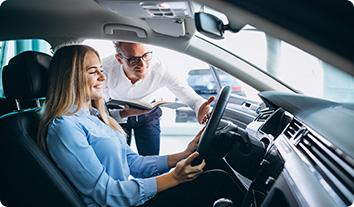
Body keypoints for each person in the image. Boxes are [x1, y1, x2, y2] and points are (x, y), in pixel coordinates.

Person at [37, 45, 243, 207]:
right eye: (93, 72)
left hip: (130, 198)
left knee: (215, 166)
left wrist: (183, 154)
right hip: (119, 203)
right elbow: (107, 194)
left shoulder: (95, 117)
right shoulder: (64, 127)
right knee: (217, 182)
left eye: (101, 70)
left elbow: (133, 164)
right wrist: (173, 178)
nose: (102, 76)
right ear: (70, 78)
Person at [103, 41, 214, 156]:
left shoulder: (160, 69)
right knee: (118, 158)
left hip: (148, 112)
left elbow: (187, 94)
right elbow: (99, 107)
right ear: (119, 59)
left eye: (145, 56)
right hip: (117, 113)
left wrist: (201, 107)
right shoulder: (104, 69)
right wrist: (122, 114)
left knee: (151, 157)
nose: (142, 64)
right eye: (133, 59)